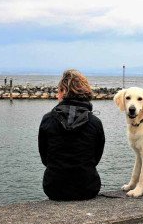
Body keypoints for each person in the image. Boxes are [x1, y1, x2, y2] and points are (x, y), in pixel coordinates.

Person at [38, 69, 105, 201]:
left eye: (58, 91)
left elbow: (45, 158)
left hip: (53, 188)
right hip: (88, 188)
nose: (57, 95)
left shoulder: (48, 119)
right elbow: (96, 157)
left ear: (63, 91)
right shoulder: (95, 122)